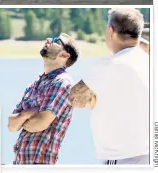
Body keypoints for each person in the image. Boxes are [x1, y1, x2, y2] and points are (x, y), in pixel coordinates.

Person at [69, 8, 149, 164]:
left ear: (111, 31)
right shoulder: (150, 62)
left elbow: (75, 98)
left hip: (122, 160)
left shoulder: (107, 65)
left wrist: (95, 99)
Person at [8, 33, 79, 164]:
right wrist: (28, 113)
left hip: (40, 165)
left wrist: (22, 119)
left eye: (56, 41)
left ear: (64, 55)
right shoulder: (34, 84)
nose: (48, 40)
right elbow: (11, 125)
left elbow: (39, 123)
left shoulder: (62, 83)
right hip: (20, 164)